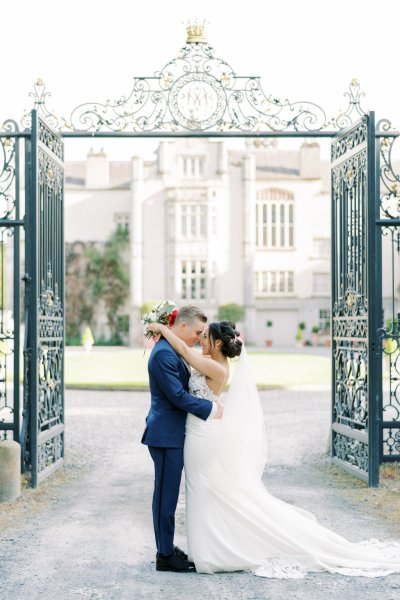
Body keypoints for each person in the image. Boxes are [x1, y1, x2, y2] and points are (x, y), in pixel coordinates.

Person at [147, 318, 400, 578]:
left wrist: (164, 329)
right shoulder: (211, 361)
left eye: (205, 336)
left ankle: (212, 551)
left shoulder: (216, 367)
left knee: (200, 487)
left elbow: (185, 352)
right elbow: (186, 358)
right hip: (198, 431)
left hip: (202, 435)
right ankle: (208, 547)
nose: (200, 340)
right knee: (203, 489)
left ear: (218, 343)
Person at [141, 305, 223, 573]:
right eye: (197, 332)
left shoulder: (170, 350)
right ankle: (165, 554)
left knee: (169, 495)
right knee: (166, 496)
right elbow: (177, 396)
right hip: (166, 435)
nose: (198, 339)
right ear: (183, 326)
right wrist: (210, 409)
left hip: (172, 433)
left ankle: (166, 547)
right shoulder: (163, 355)